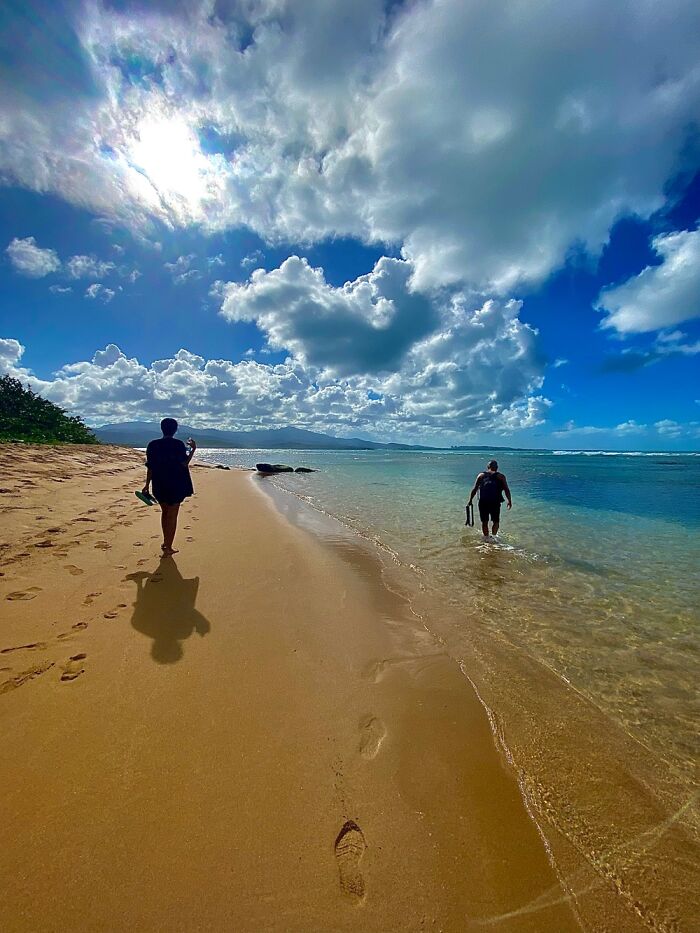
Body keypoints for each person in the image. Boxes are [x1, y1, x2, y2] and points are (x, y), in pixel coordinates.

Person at [142, 418, 196, 556]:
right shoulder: (178, 444)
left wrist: (147, 485)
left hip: (159, 483)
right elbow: (184, 463)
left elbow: (150, 467)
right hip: (176, 483)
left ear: (162, 428)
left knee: (165, 513)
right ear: (175, 430)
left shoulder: (153, 445)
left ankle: (166, 542)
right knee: (172, 515)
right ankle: (168, 547)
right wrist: (193, 450)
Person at [467, 459, 512, 538]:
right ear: (497, 467)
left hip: (483, 502)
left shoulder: (481, 475)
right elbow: (506, 489)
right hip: (495, 502)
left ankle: (486, 538)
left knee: (484, 521)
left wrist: (470, 500)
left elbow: (475, 489)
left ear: (488, 467)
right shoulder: (501, 476)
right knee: (496, 521)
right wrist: (509, 501)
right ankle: (494, 537)